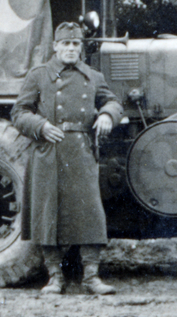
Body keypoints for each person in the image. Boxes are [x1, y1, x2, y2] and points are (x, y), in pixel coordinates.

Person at [11, 23, 125, 295]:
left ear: (81, 48)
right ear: (55, 46)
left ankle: (91, 277)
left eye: (75, 44)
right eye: (65, 44)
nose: (71, 49)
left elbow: (113, 101)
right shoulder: (39, 76)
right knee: (48, 214)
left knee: (89, 213)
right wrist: (40, 126)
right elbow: (19, 112)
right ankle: (55, 277)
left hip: (81, 151)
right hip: (49, 152)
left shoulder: (93, 76)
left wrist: (108, 115)